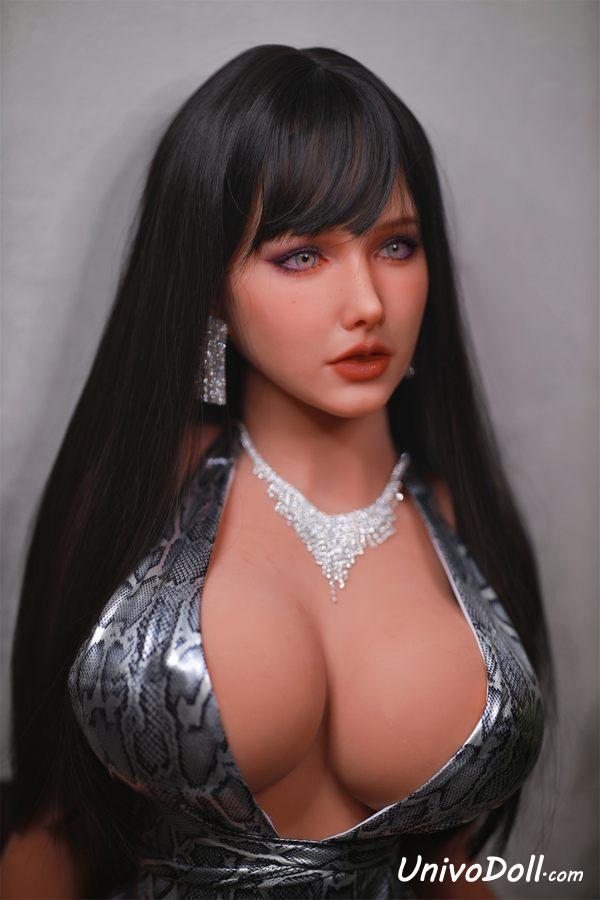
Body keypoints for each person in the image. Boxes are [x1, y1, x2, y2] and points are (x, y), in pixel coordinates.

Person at [2, 44, 555, 899]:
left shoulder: (462, 518)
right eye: (301, 255)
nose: (367, 303)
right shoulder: (141, 497)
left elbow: (446, 867)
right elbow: (53, 831)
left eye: (397, 245)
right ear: (210, 284)